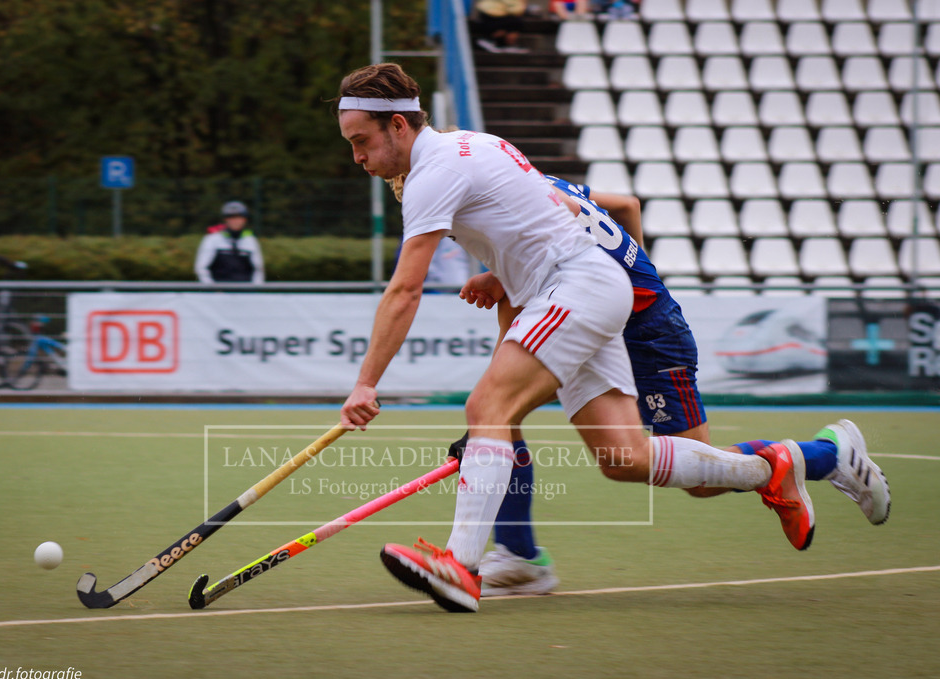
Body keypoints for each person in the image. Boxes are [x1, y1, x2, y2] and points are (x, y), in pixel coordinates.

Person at [335, 62, 815, 614]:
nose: (358, 158)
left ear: (398, 125)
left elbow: (405, 290)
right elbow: (558, 208)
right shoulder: (474, 143)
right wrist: (505, 270)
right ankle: (770, 468)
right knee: (624, 457)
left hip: (575, 286)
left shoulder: (430, 176)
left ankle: (459, 569)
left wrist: (366, 383)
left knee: (488, 407)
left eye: (362, 142)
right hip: (586, 283)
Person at [461, 177, 891, 596]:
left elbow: (513, 318)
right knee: (613, 459)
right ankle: (519, 556)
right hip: (605, 319)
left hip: (648, 333)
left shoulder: (509, 216)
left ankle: (826, 454)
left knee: (697, 479)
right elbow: (628, 205)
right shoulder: (542, 184)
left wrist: (633, 292)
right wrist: (635, 274)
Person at [194, 201, 265, 284]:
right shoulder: (212, 239)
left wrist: (254, 290)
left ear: (245, 220)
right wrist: (213, 289)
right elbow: (201, 268)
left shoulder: (251, 240)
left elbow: (258, 270)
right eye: (231, 218)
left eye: (239, 217)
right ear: (225, 219)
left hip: (246, 291)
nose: (235, 221)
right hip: (218, 291)